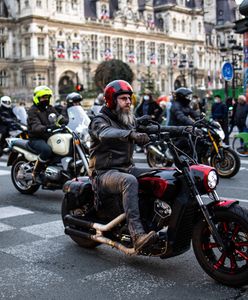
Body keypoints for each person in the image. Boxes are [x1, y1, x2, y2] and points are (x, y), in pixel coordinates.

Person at [88, 80, 157, 252]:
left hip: (125, 168)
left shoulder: (126, 119)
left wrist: (187, 129)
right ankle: (137, 235)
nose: (128, 102)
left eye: (129, 98)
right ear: (111, 100)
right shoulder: (99, 120)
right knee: (129, 181)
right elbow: (105, 133)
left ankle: (153, 220)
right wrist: (131, 134)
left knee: (158, 175)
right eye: (124, 98)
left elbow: (158, 129)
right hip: (103, 173)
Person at [27, 85, 68, 182]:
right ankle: (36, 173)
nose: (45, 99)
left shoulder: (49, 108)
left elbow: (59, 118)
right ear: (37, 98)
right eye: (43, 97)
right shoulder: (32, 111)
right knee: (46, 150)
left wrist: (67, 122)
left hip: (49, 136)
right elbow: (35, 126)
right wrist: (47, 128)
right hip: (36, 138)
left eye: (47, 97)